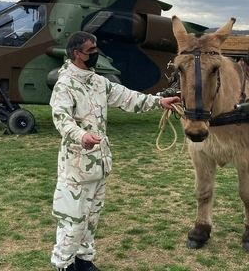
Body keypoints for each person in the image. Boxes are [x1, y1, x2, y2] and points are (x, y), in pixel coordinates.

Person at [49, 31, 180, 271]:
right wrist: (81, 136)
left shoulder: (98, 82)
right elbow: (61, 118)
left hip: (99, 165)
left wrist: (158, 101)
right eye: (90, 51)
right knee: (73, 220)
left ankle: (84, 261)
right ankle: (64, 264)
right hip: (76, 168)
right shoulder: (65, 84)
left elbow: (127, 97)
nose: (95, 54)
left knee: (91, 219)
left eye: (96, 49)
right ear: (77, 54)